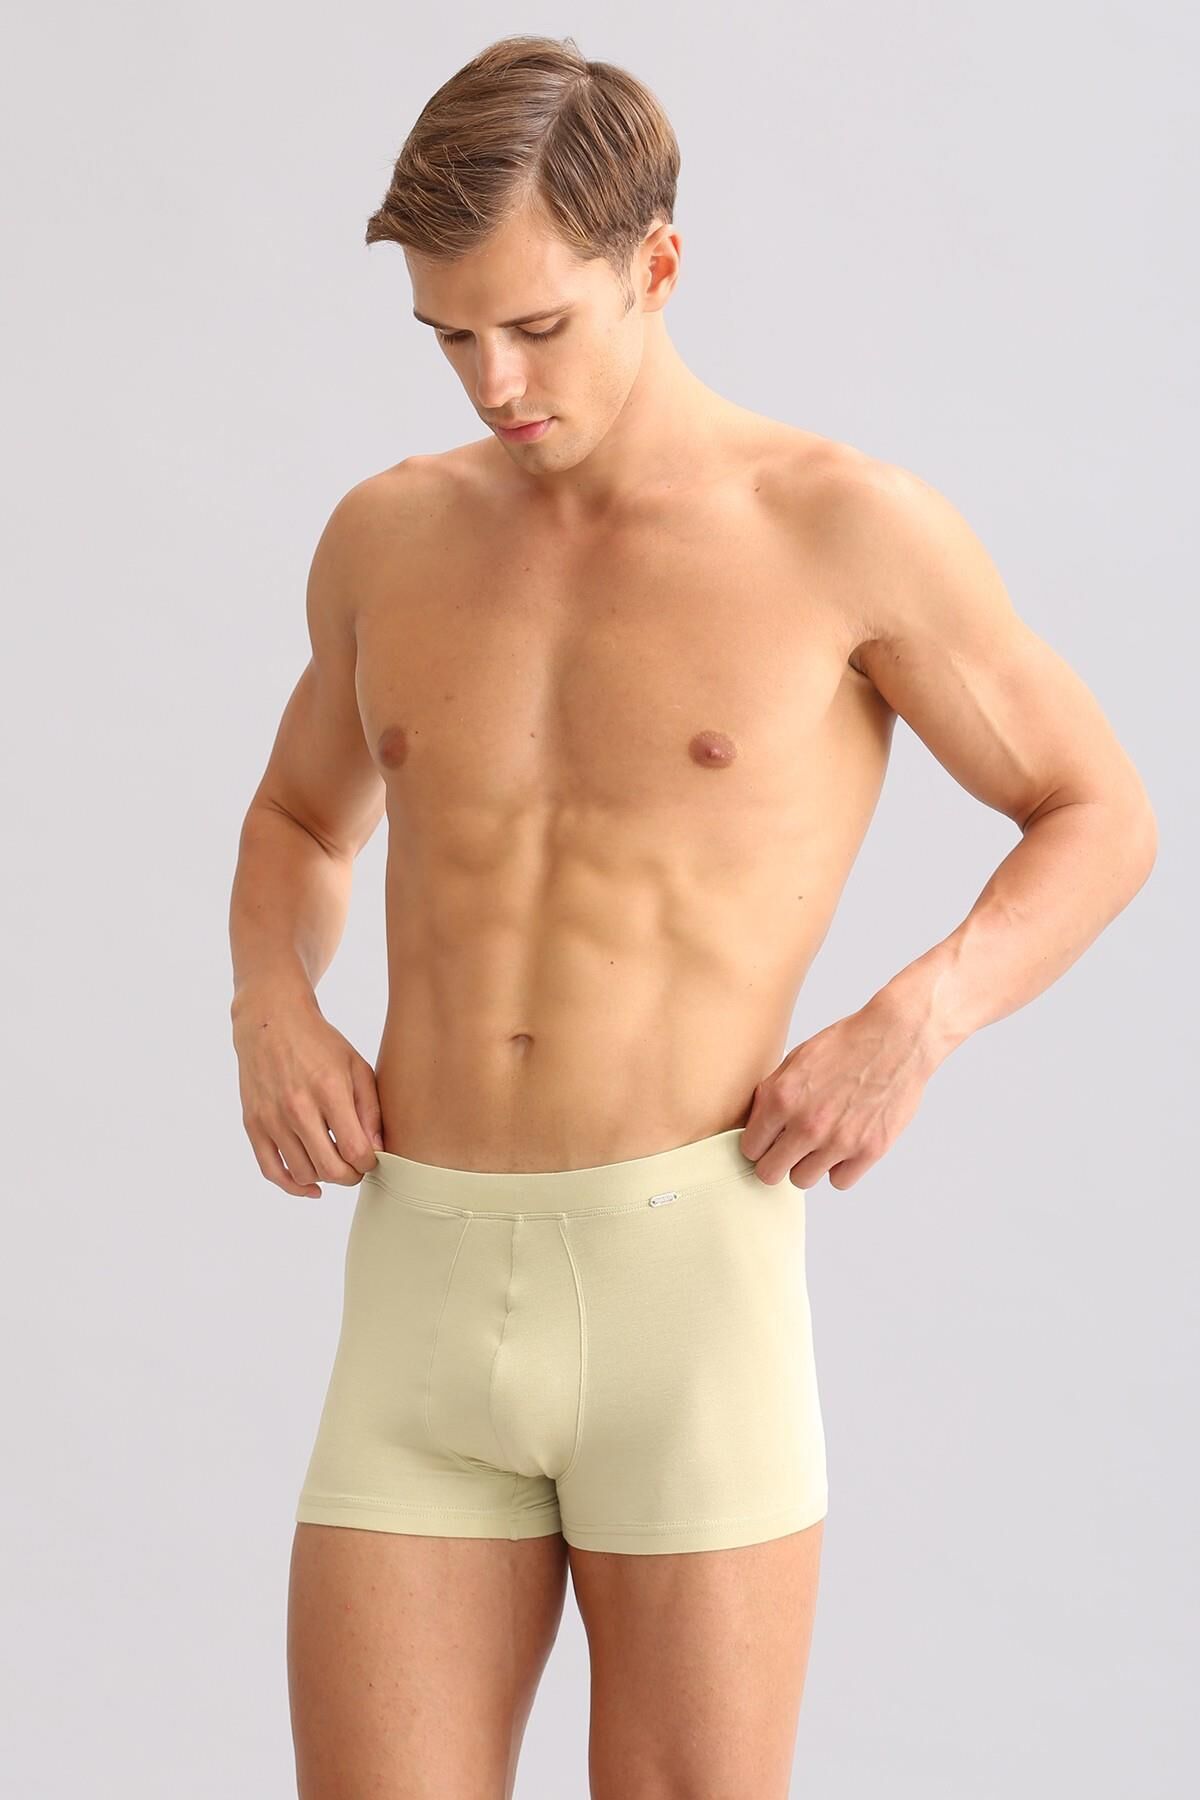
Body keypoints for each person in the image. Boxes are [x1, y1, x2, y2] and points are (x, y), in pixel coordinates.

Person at [227, 32, 1158, 1800]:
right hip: (420, 1278)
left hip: (687, 1290)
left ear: (656, 263)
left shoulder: (842, 530)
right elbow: (297, 818)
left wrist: (917, 1019)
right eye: (450, 338)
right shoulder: (386, 539)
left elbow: (1099, 812)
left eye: (536, 325)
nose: (494, 383)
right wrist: (270, 996)